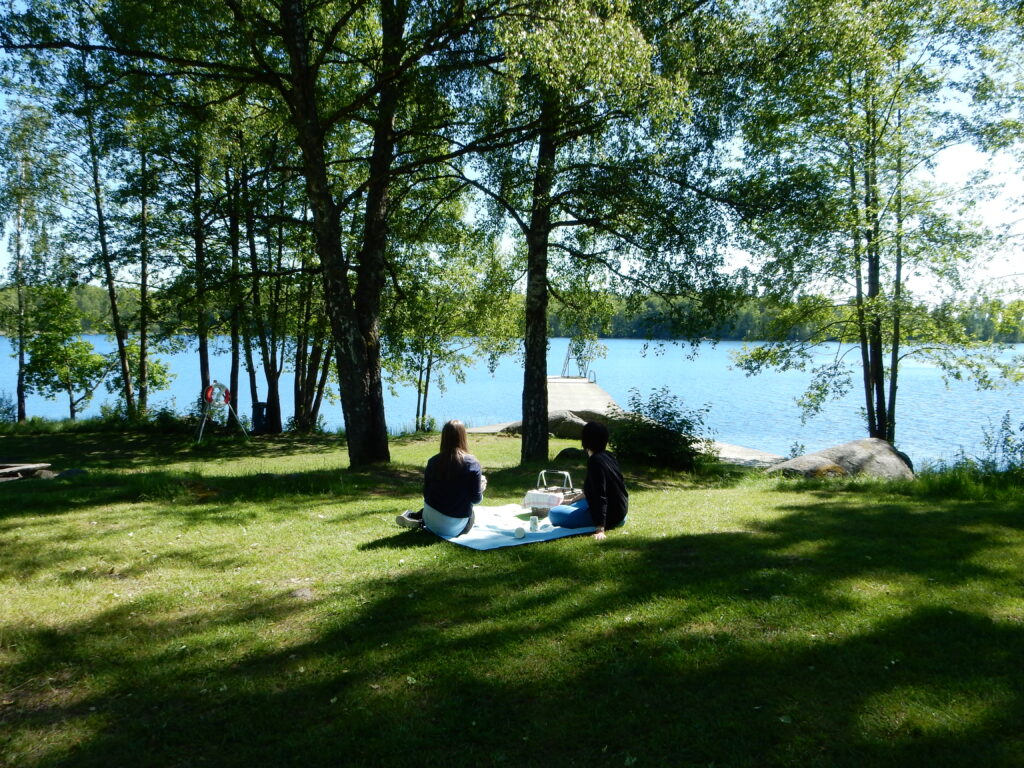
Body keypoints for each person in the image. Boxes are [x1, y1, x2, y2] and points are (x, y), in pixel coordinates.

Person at [396, 419, 486, 537]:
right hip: (453, 527)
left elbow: (426, 493)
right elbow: (476, 499)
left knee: (438, 507)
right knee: (472, 514)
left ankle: (418, 519)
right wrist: (481, 487)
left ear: (444, 438)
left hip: (431, 520)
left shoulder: (433, 461)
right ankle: (421, 520)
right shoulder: (472, 463)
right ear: (463, 437)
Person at [548, 421, 628, 541]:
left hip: (611, 516)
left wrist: (600, 529)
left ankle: (597, 522)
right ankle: (580, 510)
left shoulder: (595, 461)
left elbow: (600, 494)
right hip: (621, 512)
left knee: (554, 513)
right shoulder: (609, 456)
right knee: (572, 505)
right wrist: (571, 500)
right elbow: (592, 489)